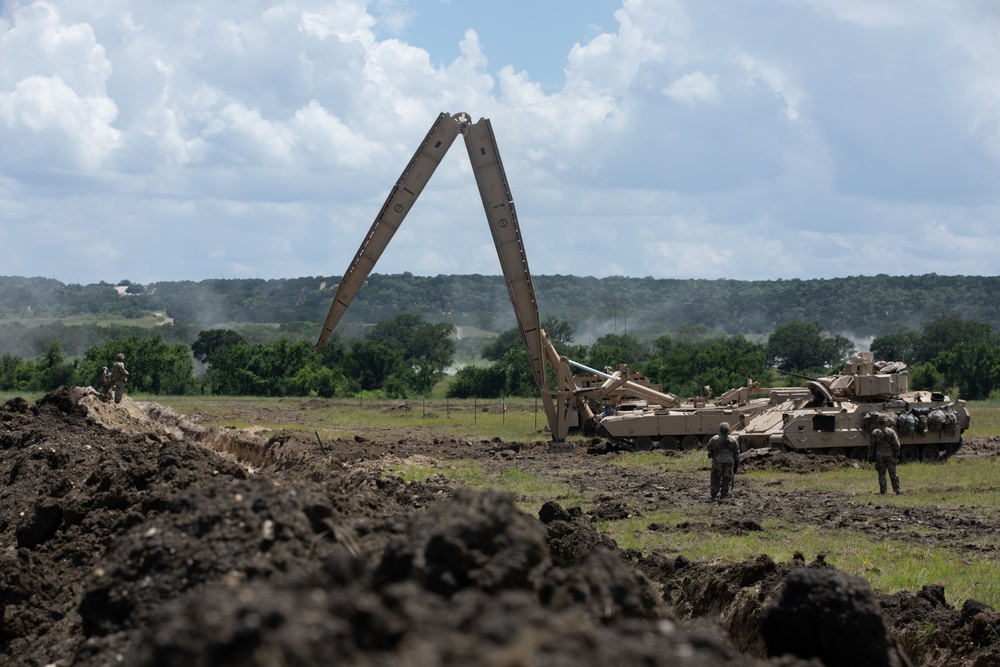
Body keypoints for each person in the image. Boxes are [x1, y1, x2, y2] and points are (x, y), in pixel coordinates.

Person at [867, 414, 901, 494]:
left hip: (879, 455)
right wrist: (896, 454)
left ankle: (883, 490)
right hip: (890, 455)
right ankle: (897, 490)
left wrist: (870, 457)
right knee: (893, 473)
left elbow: (871, 446)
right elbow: (897, 445)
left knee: (881, 474)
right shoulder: (891, 431)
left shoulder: (875, 432)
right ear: (885, 422)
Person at [707, 421, 741, 501]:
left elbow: (709, 448)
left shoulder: (715, 438)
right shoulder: (733, 439)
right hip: (729, 461)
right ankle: (724, 495)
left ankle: (714, 495)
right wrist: (736, 464)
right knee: (727, 478)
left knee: (716, 477)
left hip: (717, 461)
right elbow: (737, 453)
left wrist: (712, 453)